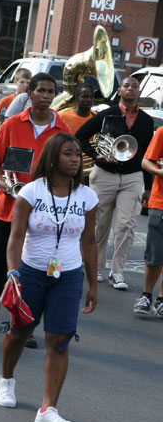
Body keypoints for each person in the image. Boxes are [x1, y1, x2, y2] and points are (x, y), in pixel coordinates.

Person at [0, 133, 97, 422]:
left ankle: (48, 409)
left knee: (60, 339)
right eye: (68, 153)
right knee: (20, 331)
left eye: (77, 154)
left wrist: (93, 285)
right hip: (30, 272)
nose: (76, 159)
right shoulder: (31, 192)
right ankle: (6, 379)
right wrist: (12, 272)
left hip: (69, 275)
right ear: (53, 157)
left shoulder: (87, 196)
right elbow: (15, 237)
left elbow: (89, 242)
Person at [0, 73, 70, 332]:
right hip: (8, 207)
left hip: (43, 211)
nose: (46, 96)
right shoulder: (11, 124)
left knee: (34, 269)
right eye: (41, 91)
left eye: (50, 92)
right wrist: (0, 181)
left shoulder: (62, 129)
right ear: (30, 94)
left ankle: (22, 323)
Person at [75, 76, 154, 290]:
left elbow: (148, 155)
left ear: (139, 92)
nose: (130, 89)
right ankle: (95, 266)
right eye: (126, 86)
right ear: (119, 91)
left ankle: (117, 271)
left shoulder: (146, 121)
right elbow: (80, 136)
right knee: (99, 223)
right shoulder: (106, 114)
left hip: (132, 176)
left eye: (134, 86)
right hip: (105, 174)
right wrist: (95, 155)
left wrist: (148, 186)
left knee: (126, 225)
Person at [136, 127, 163, 316]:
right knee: (155, 253)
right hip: (160, 202)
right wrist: (159, 172)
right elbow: (146, 161)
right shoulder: (162, 132)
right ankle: (146, 295)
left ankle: (161, 299)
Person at [0, 68, 32, 133]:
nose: (25, 85)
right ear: (15, 82)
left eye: (28, 83)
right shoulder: (5, 100)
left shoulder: (31, 101)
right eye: (22, 82)